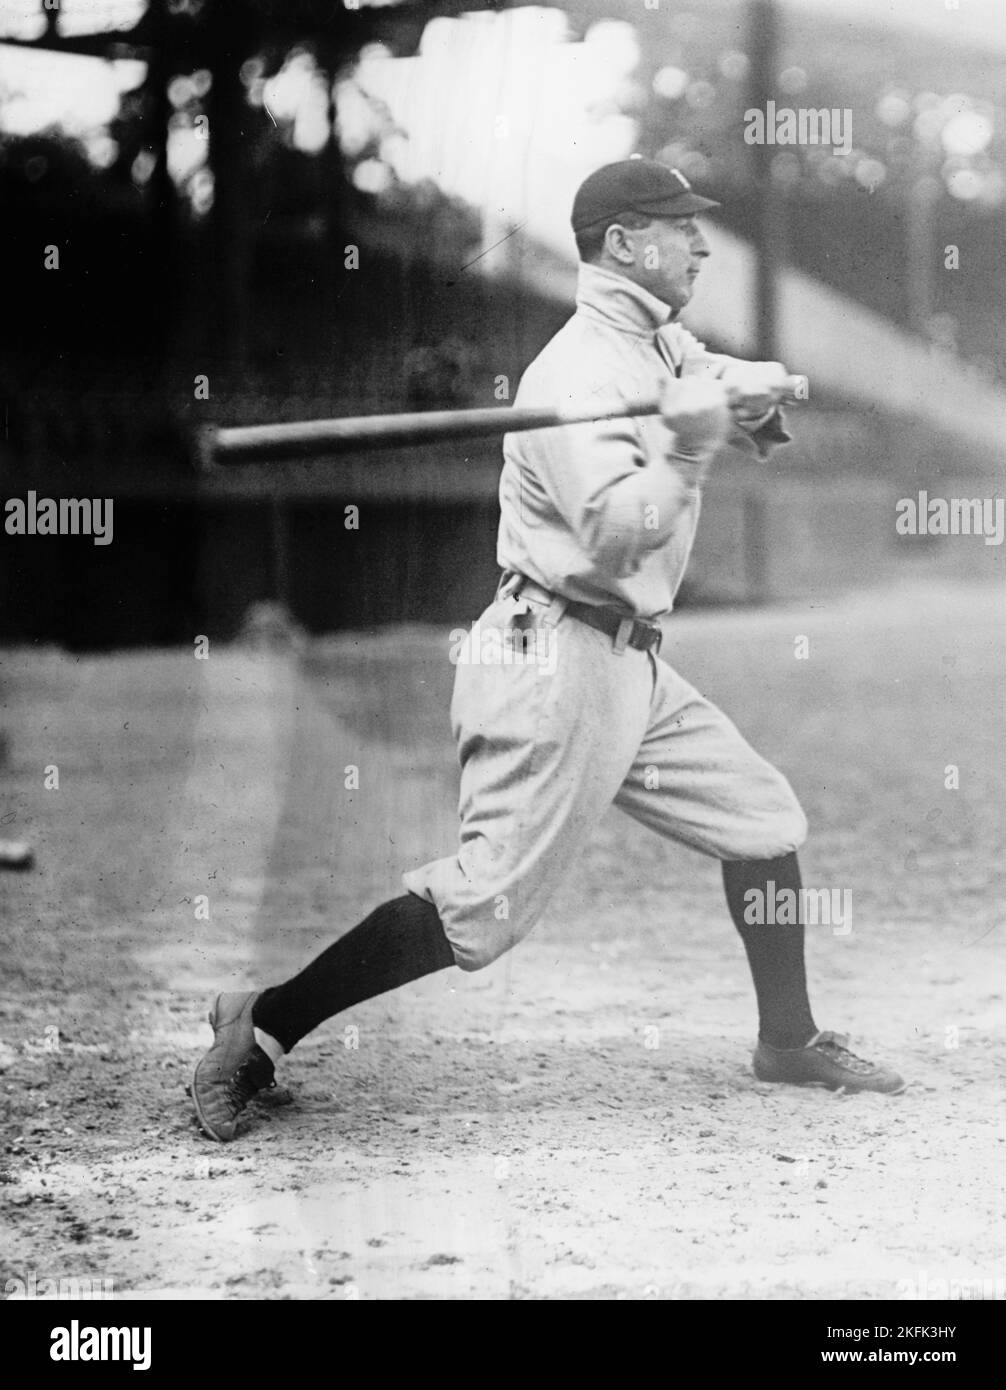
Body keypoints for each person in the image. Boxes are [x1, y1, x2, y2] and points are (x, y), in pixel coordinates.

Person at [192, 157, 903, 1143]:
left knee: (761, 819)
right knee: (483, 906)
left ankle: (787, 1036)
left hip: (626, 661)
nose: (700, 244)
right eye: (678, 226)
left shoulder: (652, 338)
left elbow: (705, 378)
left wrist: (746, 390)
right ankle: (261, 1024)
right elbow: (620, 531)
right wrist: (685, 446)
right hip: (553, 655)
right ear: (622, 243)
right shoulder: (574, 376)